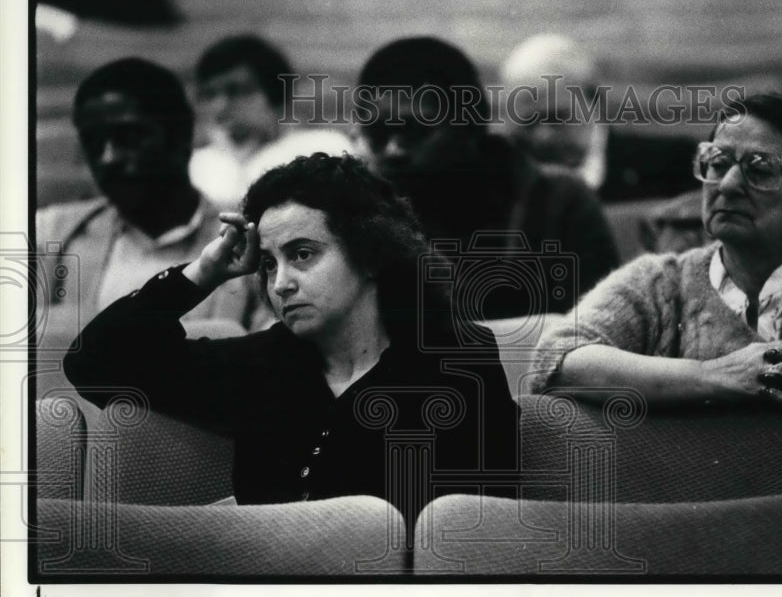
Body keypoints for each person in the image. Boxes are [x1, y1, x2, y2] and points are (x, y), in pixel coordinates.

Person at [63, 154, 519, 531]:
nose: (281, 283)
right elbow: (95, 364)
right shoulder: (264, 362)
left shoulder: (453, 361)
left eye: (302, 255)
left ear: (372, 254)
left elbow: (480, 533)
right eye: (266, 263)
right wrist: (203, 273)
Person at [531, 93, 782, 406]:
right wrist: (714, 377)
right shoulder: (658, 280)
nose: (728, 185)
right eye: (718, 163)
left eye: (761, 168)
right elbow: (559, 356)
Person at [353, 36, 620, 320]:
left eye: (415, 131)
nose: (393, 149)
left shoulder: (560, 202)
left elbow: (600, 331)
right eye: (377, 133)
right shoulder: (358, 214)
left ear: (469, 126)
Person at [36, 57, 264, 339]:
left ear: (181, 135)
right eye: (93, 143)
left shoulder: (247, 242)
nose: (108, 159)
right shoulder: (50, 235)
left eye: (130, 137)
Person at [499, 33, 697, 202]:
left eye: (557, 118)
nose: (544, 136)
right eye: (528, 123)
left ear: (594, 100)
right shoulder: (498, 183)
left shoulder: (672, 167)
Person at [190, 35, 352, 209]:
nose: (220, 106)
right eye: (209, 94)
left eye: (236, 91)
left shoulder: (322, 149)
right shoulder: (196, 165)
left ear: (276, 96)